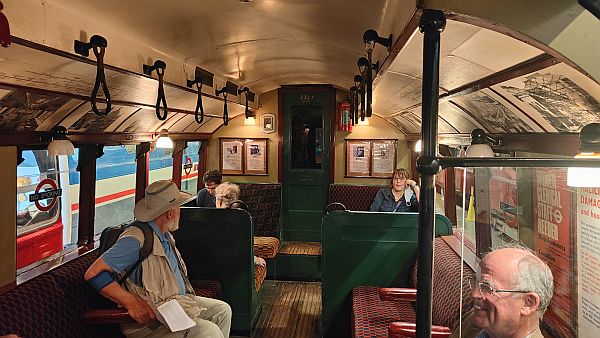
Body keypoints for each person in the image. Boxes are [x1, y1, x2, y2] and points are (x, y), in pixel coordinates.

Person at [85, 180, 232, 338]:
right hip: (151, 320)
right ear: (170, 213)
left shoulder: (164, 235)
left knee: (222, 311)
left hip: (174, 305)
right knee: (208, 331)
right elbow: (93, 273)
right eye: (178, 207)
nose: (179, 212)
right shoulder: (135, 239)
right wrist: (132, 302)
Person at [451, 244, 554, 338]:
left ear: (528, 303)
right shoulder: (475, 321)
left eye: (487, 287)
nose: (474, 293)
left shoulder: (484, 318)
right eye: (476, 282)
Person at [214, 182, 266, 268]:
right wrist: (256, 260)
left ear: (219, 201)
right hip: (232, 266)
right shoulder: (240, 220)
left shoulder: (210, 218)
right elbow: (241, 250)